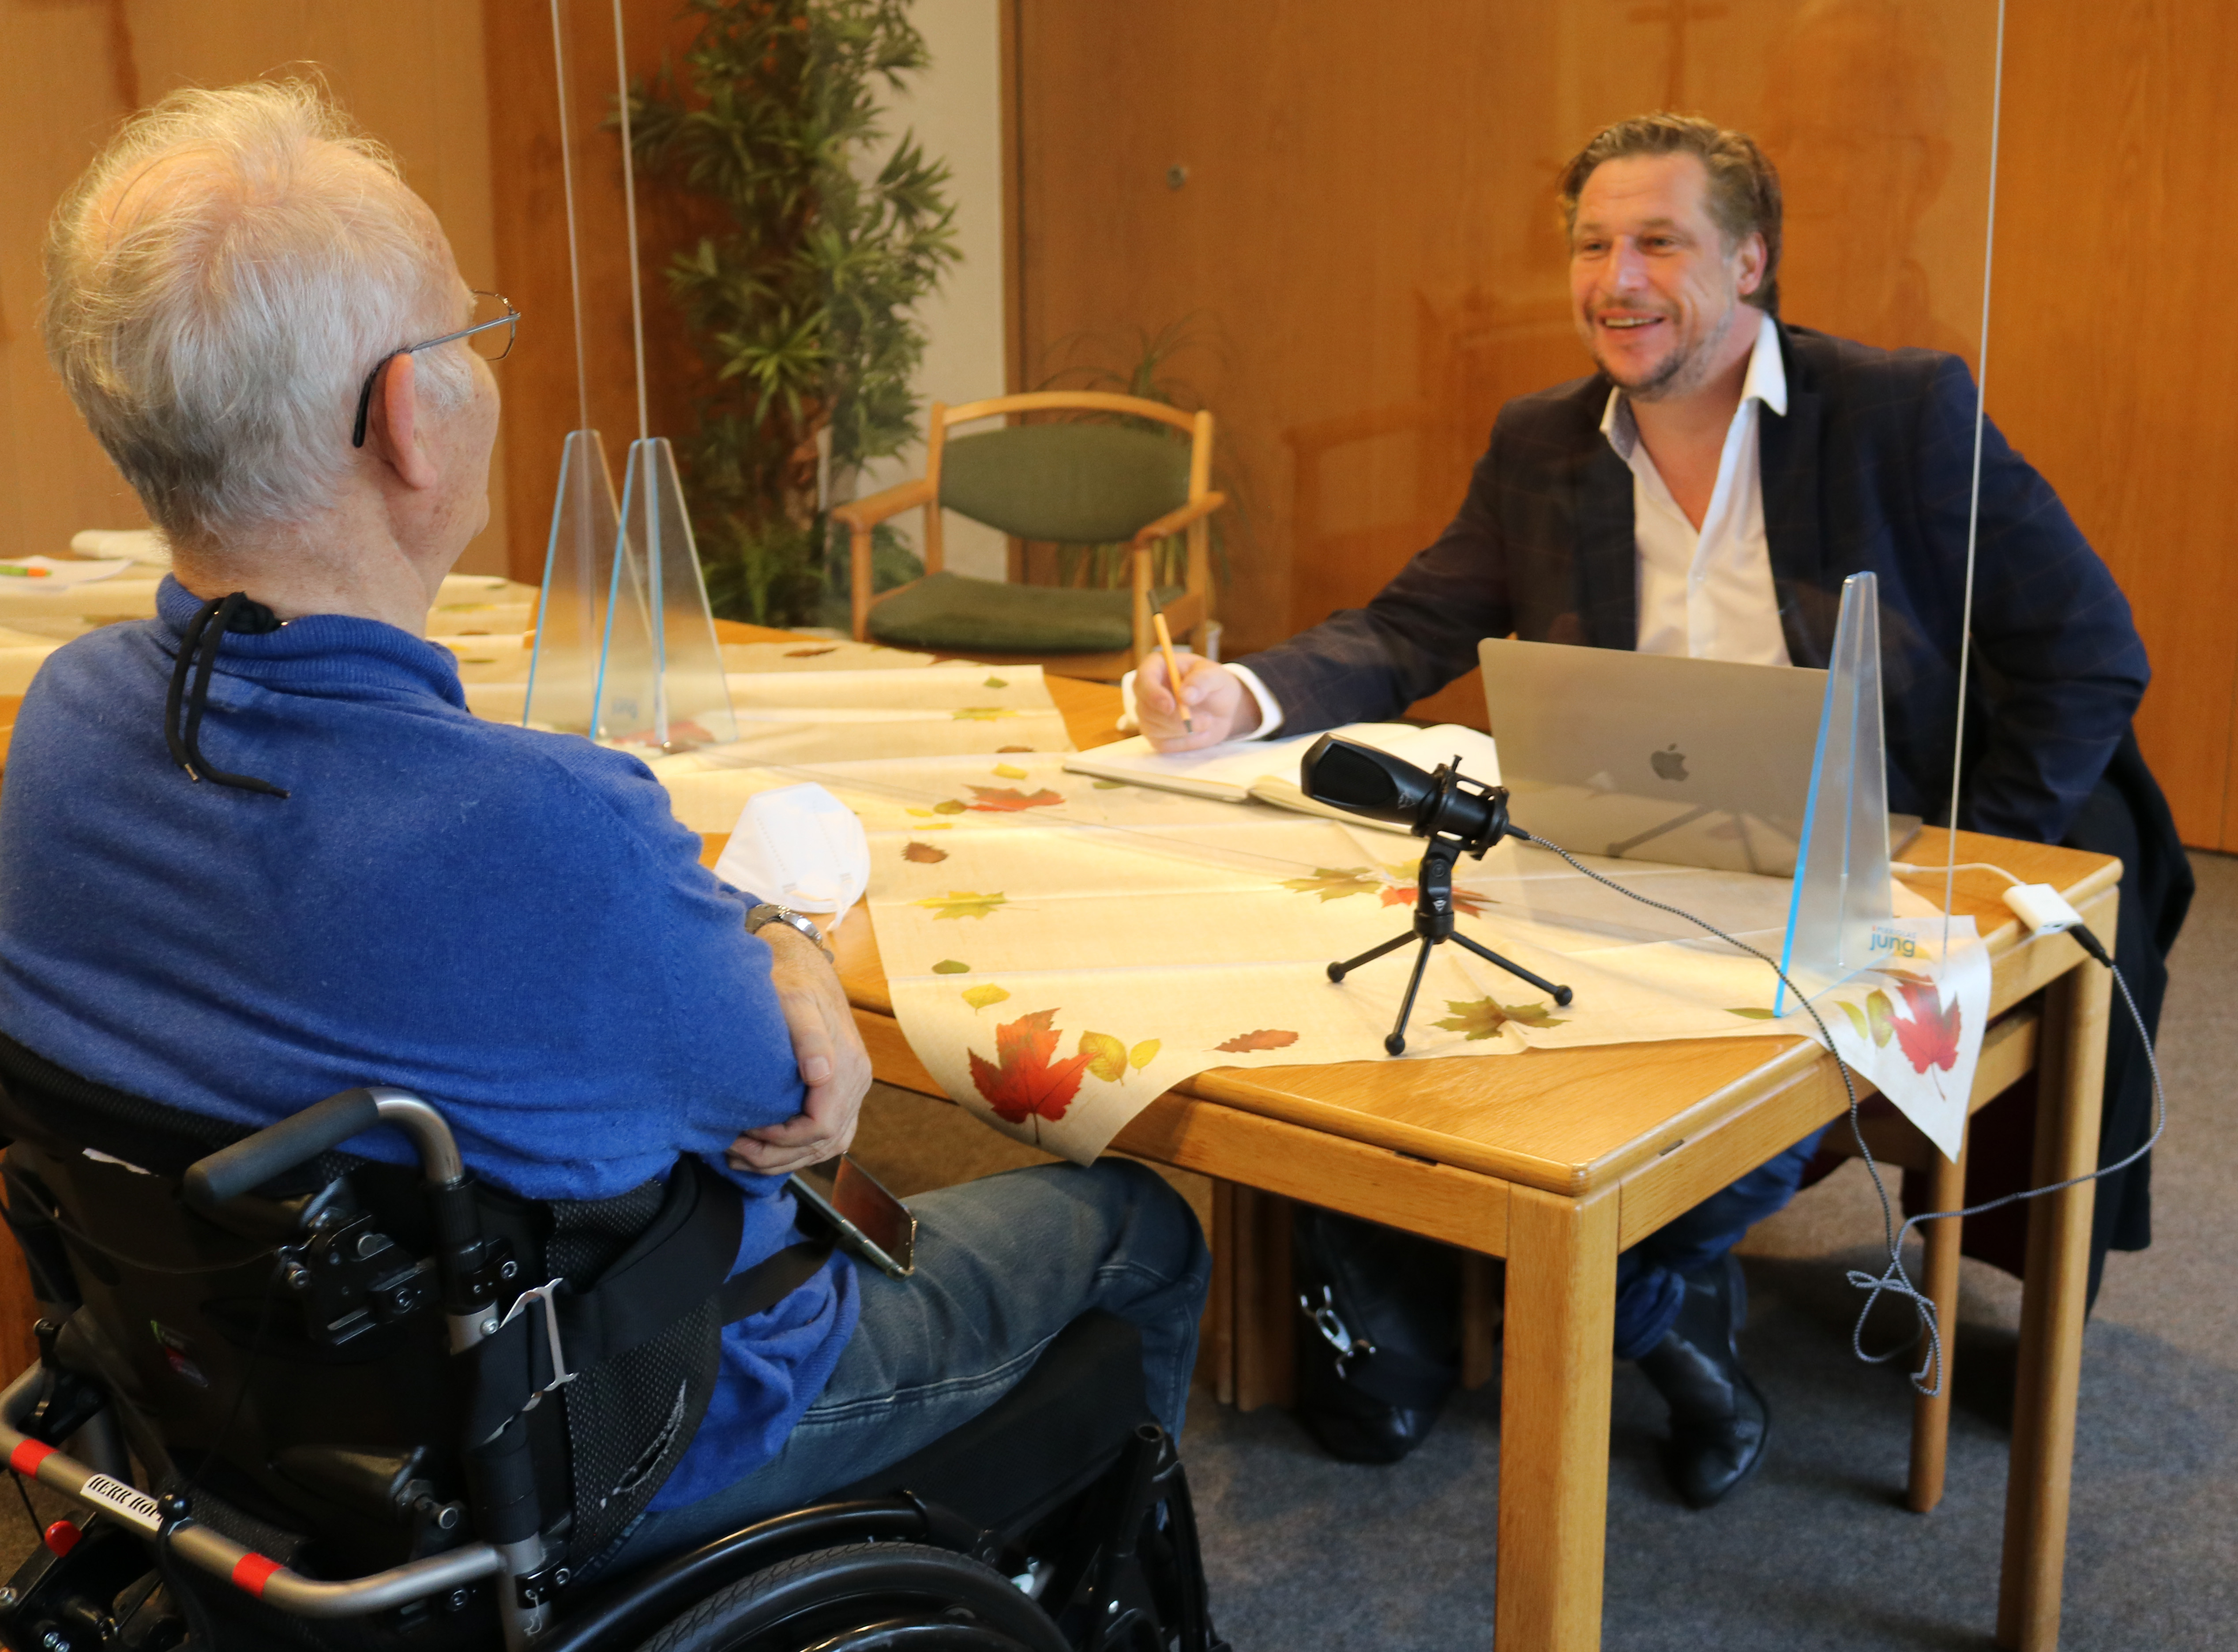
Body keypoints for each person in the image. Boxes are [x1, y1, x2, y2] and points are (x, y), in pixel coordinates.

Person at [0, 82, 1209, 1575]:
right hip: (615, 1428)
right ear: (405, 420)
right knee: (1141, 1223)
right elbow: (785, 1111)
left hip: (233, 1416)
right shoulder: (540, 830)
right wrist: (783, 939)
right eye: (470, 338)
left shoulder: (64, 726)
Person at [1137, 112, 2187, 1506]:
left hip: (1880, 849)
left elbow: (2091, 650)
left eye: (1658, 243)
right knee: (1394, 976)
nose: (1614, 279)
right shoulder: (1543, 442)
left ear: (1750, 261)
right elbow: (1407, 626)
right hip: (1647, 832)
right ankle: (1654, 1310)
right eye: (1590, 243)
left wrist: (1962, 857)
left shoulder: (1900, 413)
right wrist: (1242, 696)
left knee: (1780, 1053)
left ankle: (1614, 1277)